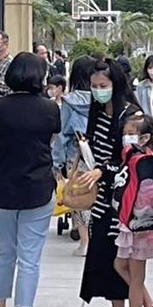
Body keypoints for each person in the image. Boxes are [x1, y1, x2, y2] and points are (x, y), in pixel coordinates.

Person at [0, 52, 60, 307]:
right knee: (30, 256)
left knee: (4, 251)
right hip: (37, 186)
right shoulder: (50, 109)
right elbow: (49, 143)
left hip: (1, 186)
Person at [77, 59, 139, 307]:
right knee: (104, 255)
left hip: (123, 199)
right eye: (93, 86)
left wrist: (103, 169)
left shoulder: (130, 115)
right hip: (102, 197)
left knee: (119, 258)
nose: (98, 91)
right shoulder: (99, 111)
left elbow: (131, 158)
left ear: (116, 84)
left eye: (103, 86)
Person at [112, 115, 153, 307]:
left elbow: (149, 194)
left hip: (139, 226)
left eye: (132, 132)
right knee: (120, 265)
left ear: (145, 137)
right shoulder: (136, 157)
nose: (127, 136)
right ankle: (150, 305)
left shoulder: (144, 161)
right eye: (126, 131)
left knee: (135, 277)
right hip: (133, 224)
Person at [53, 56, 96, 257]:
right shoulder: (101, 97)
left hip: (76, 154)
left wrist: (57, 162)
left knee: (79, 197)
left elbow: (62, 133)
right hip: (99, 153)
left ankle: (84, 243)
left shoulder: (69, 102)